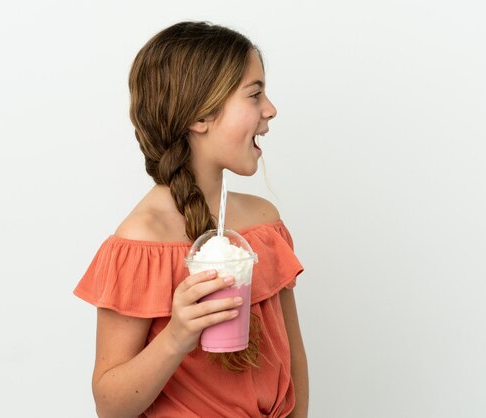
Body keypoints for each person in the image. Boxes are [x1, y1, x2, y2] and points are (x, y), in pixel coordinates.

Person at [74, 21, 309, 417]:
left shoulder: (264, 223)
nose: (270, 109)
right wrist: (177, 336)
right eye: (254, 94)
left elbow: (294, 359)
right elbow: (110, 406)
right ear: (200, 116)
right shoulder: (140, 242)